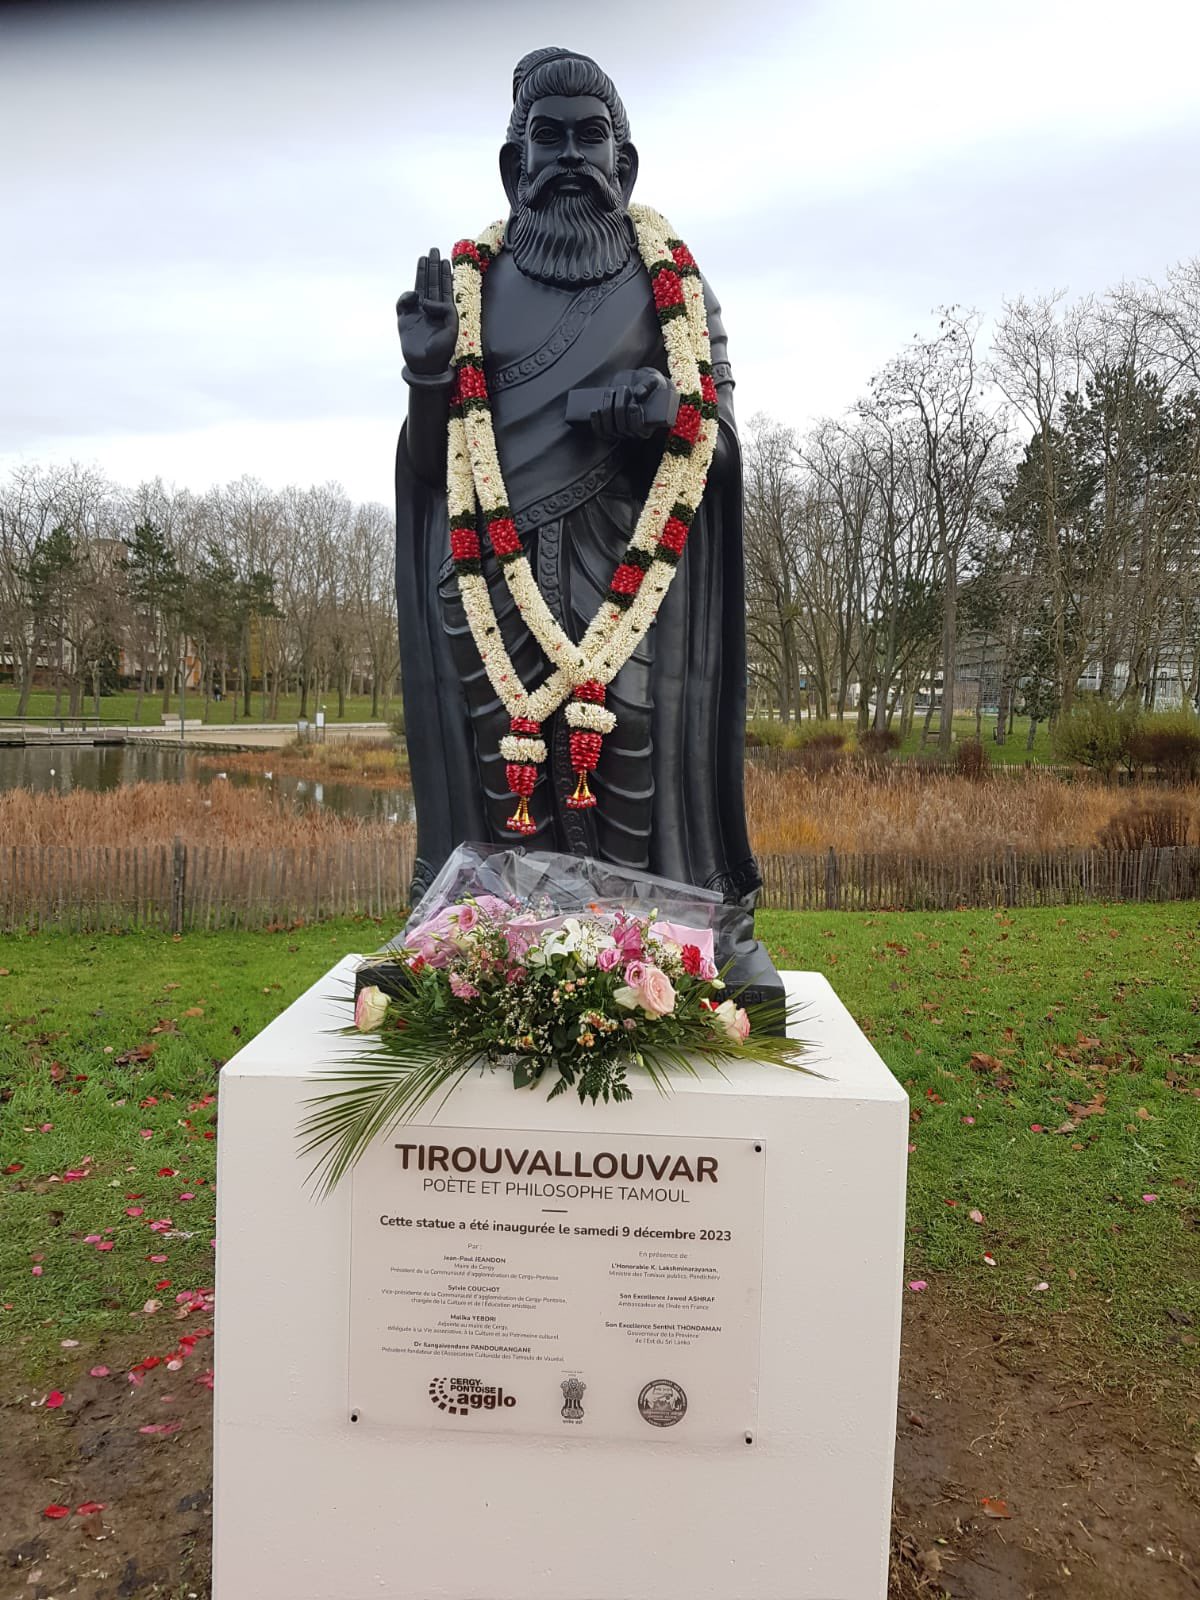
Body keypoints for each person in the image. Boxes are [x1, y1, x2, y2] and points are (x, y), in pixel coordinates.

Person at [394, 47, 778, 998]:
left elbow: (721, 446)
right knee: (505, 771)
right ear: (513, 163)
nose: (570, 157)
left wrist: (662, 415)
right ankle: (493, 965)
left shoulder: (675, 289)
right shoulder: (470, 288)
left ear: (625, 162)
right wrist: (429, 374)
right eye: (548, 138)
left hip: (632, 578)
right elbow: (433, 471)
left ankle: (649, 966)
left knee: (632, 755)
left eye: (589, 137)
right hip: (490, 582)